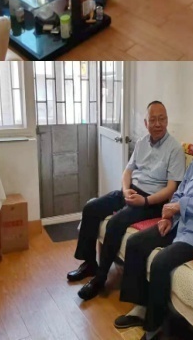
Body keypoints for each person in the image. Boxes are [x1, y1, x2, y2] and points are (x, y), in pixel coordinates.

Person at [115, 109, 193, 340]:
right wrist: (167, 217)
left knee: (161, 262)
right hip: (177, 224)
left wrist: (178, 207)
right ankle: (141, 308)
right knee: (135, 243)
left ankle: (154, 328)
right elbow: (179, 192)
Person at [69, 101, 185, 301]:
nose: (158, 124)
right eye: (153, 119)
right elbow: (128, 171)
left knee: (115, 223)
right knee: (91, 208)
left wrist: (145, 201)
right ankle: (89, 264)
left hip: (152, 201)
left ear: (167, 120)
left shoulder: (174, 149)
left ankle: (100, 278)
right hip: (131, 192)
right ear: (146, 123)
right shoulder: (141, 143)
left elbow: (171, 188)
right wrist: (125, 190)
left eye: (162, 119)